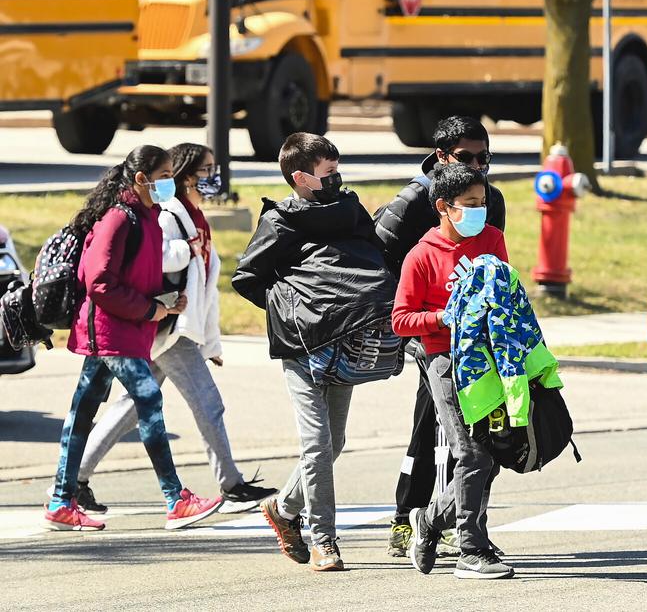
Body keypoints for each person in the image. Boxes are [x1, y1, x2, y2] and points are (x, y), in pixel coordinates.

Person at [73, 144, 277, 515]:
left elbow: (205, 286)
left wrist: (211, 342)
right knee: (207, 402)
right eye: (207, 170)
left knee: (132, 406)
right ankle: (229, 485)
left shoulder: (195, 215)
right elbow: (153, 261)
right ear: (186, 177)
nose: (214, 176)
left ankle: (75, 479)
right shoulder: (168, 214)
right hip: (168, 327)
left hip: (175, 326)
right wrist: (185, 249)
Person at [232, 133, 397, 572]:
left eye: (337, 170)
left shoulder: (349, 209)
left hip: (347, 339)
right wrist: (294, 311)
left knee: (334, 441)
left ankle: (282, 508)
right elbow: (247, 278)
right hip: (302, 347)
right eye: (329, 173)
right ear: (301, 178)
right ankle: (324, 540)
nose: (337, 178)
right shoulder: (280, 221)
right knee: (318, 445)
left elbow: (372, 254)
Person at [45, 146, 223, 532]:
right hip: (112, 331)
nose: (170, 183)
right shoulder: (118, 218)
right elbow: (99, 282)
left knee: (82, 412)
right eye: (164, 175)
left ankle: (61, 501)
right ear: (141, 178)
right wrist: (149, 310)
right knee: (149, 401)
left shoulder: (148, 216)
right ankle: (176, 499)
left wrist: (165, 303)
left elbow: (135, 275)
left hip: (123, 329)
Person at [374, 115, 506, 558]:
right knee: (435, 428)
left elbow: (494, 267)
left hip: (476, 340)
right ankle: (409, 517)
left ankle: (460, 523)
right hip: (429, 335)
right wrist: (430, 310)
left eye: (484, 158)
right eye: (466, 157)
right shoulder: (414, 201)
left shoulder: (489, 201)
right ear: (442, 157)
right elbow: (379, 258)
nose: (477, 166)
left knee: (481, 441)